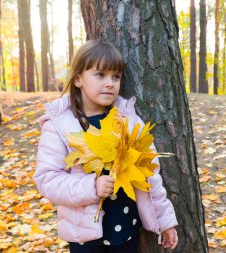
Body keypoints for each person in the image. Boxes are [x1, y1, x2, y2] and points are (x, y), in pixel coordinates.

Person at [34, 40, 178, 253]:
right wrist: (92, 187)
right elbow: (47, 179)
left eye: (116, 76)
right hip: (85, 237)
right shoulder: (60, 126)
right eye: (100, 75)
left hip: (127, 230)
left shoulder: (128, 120)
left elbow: (150, 175)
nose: (110, 83)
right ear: (78, 79)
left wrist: (164, 221)